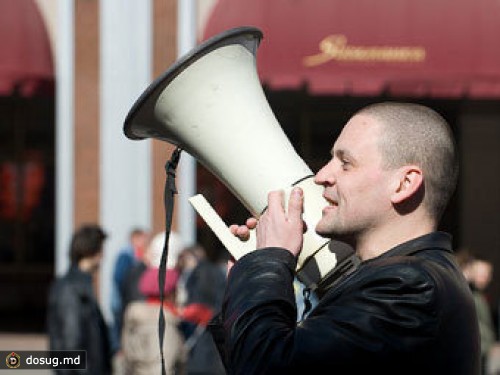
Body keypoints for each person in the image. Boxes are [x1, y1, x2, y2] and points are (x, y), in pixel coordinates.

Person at [209, 102, 480, 374]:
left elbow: (266, 366)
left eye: (346, 163)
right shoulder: (413, 279)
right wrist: (247, 280)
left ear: (404, 184)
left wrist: (266, 263)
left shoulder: (410, 286)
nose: (322, 176)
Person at [47, 224, 112, 374]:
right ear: (92, 252)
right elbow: (72, 343)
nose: (103, 256)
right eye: (101, 250)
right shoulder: (72, 289)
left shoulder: (80, 286)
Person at [110, 227, 149, 353]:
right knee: (120, 327)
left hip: (125, 300)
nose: (146, 242)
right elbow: (120, 278)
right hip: (121, 301)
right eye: (143, 239)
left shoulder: (135, 255)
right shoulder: (126, 255)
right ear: (134, 239)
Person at [457, 249, 496, 374]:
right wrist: (490, 348)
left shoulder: (477, 296)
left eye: (488, 274)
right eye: (483, 273)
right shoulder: (466, 295)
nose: (487, 278)